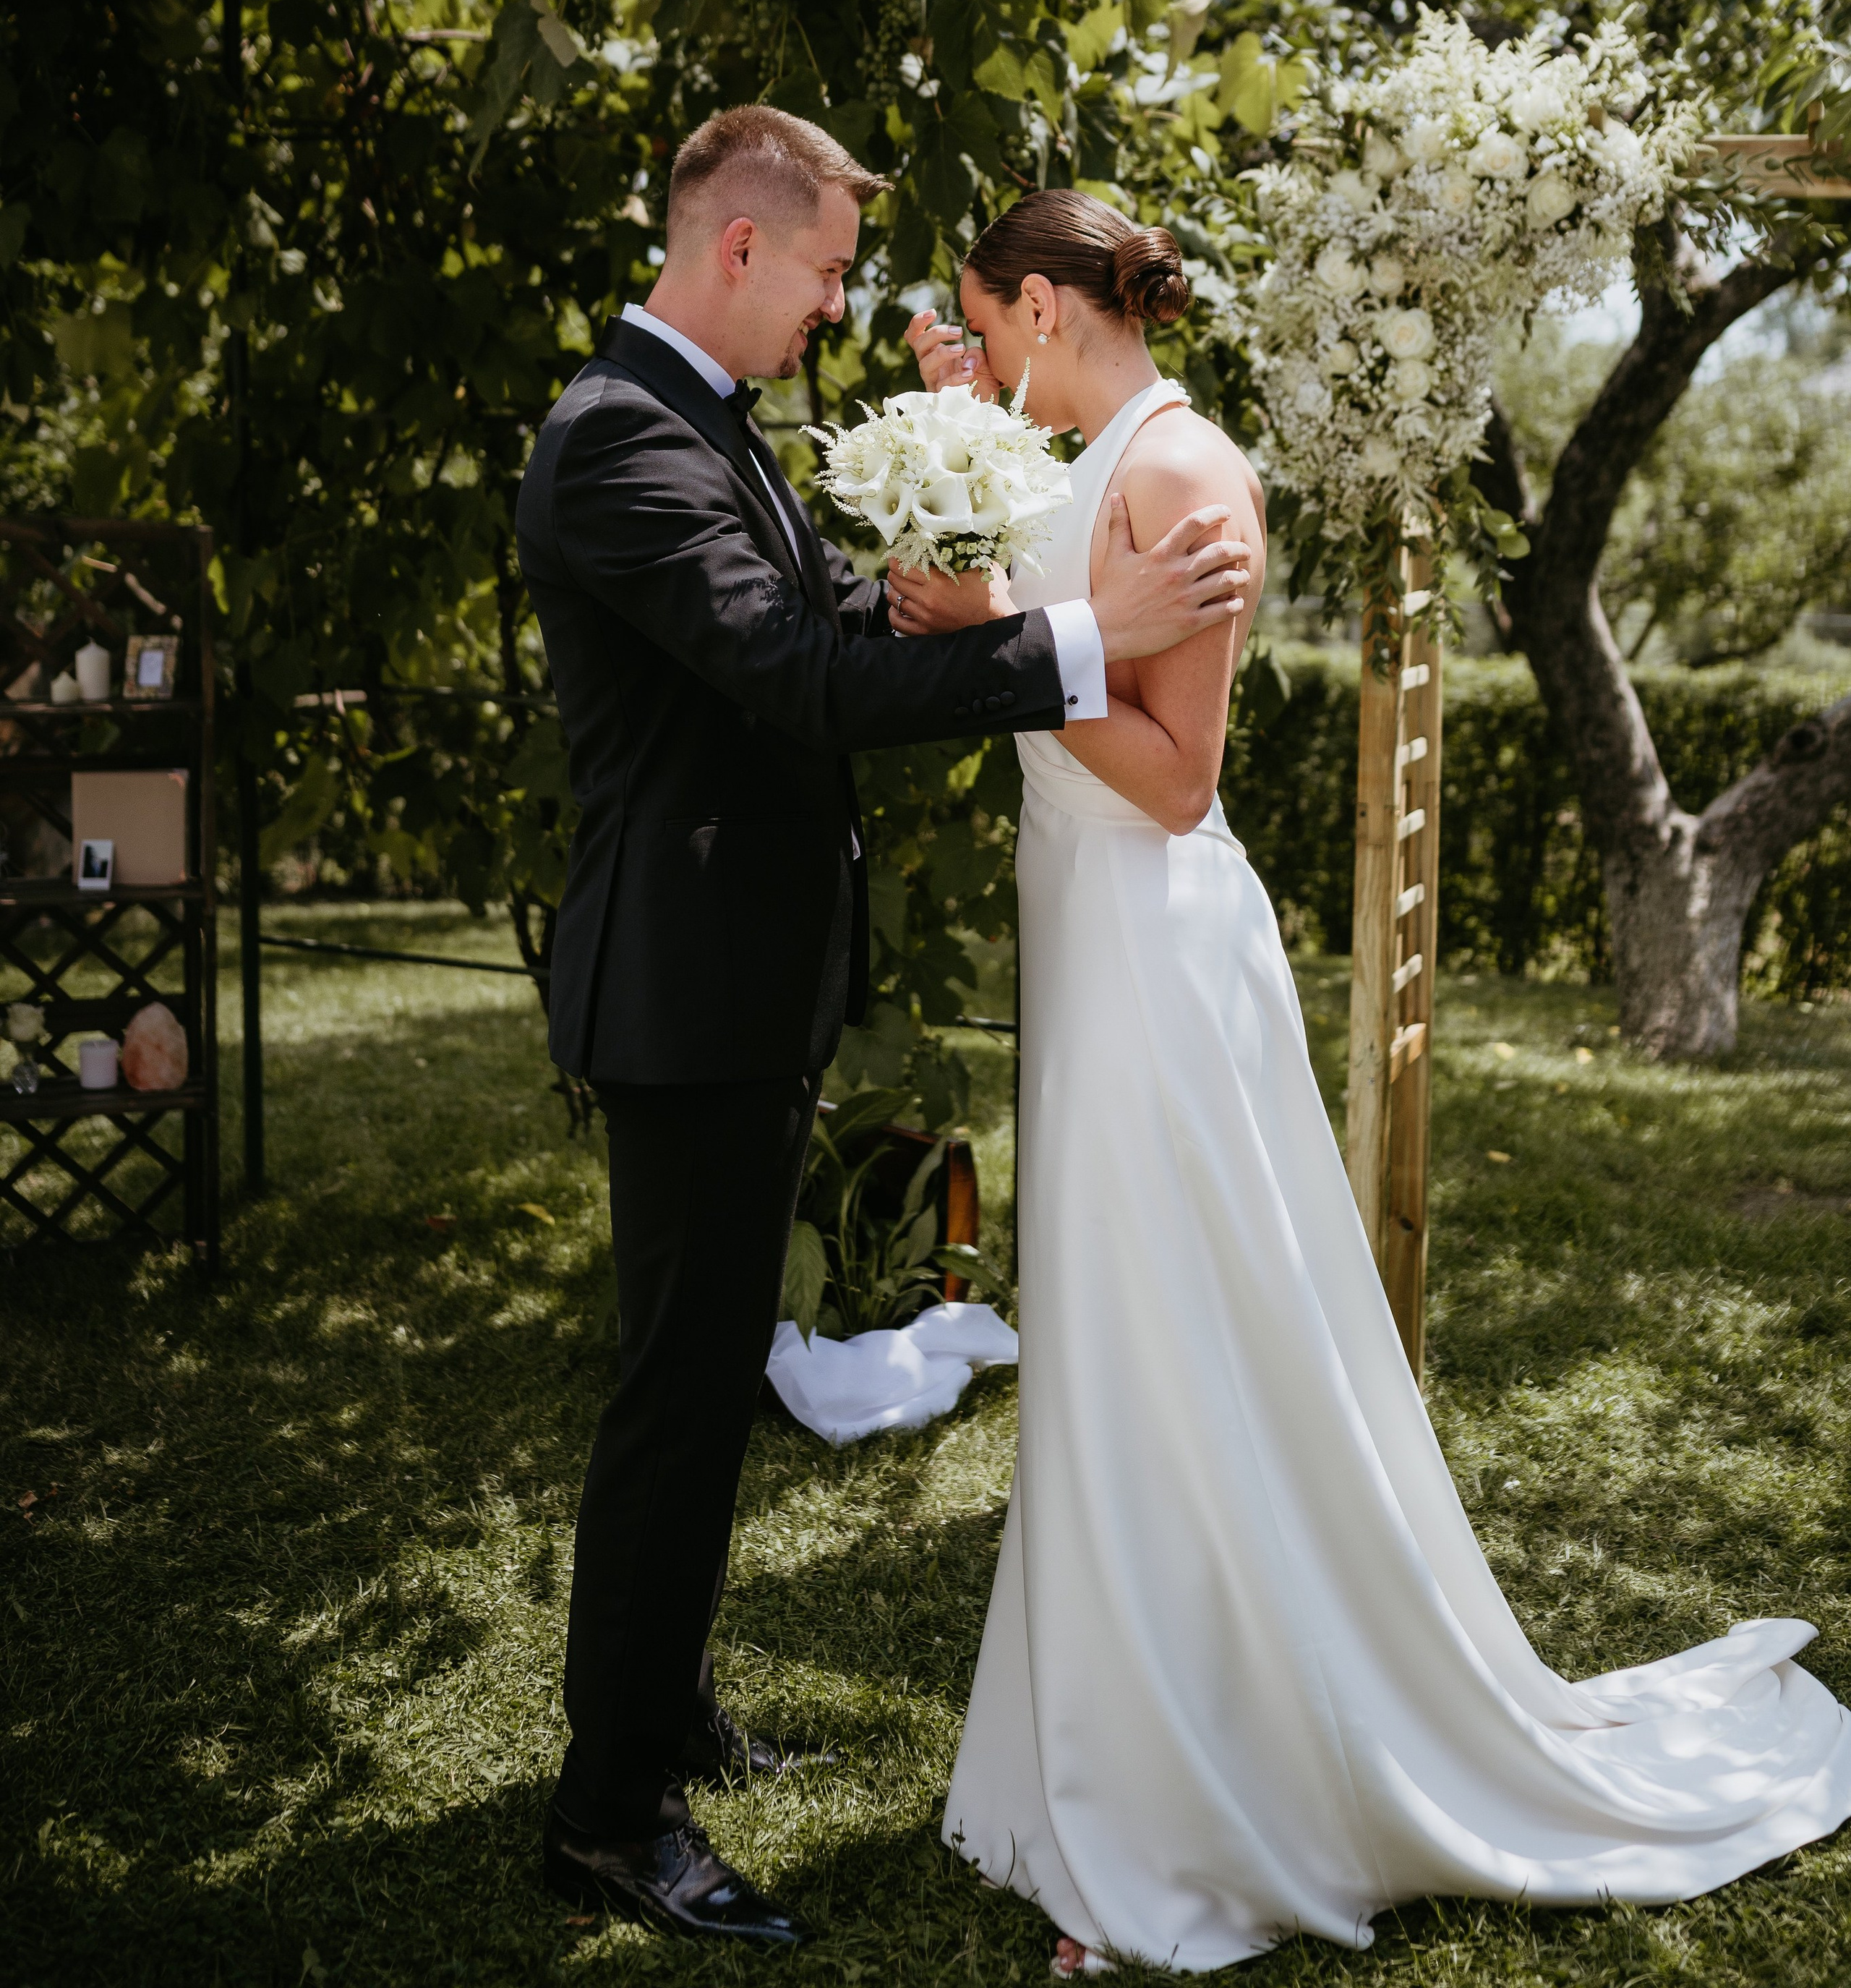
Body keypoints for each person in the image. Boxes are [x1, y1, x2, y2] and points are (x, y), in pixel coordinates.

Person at [894, 188, 1851, 1977]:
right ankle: (1102, 1754)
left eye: (976, 324)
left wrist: (975, 644)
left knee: (1176, 1343)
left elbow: (1175, 781)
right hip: (1078, 938)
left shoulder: (1187, 478)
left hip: (1155, 949)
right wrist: (952, 532)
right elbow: (1001, 601)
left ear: (1040, 305)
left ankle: (1191, 1802)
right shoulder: (1073, 451)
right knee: (1107, 1339)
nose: (973, 358)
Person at [513, 109, 1252, 1949]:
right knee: (678, 1400)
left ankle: (663, 1710)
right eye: (835, 268)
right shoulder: (619, 442)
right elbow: (805, 677)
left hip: (736, 985)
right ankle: (609, 1814)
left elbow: (840, 607)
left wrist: (993, 586)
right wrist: (1098, 633)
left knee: (708, 1374)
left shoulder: (707, 428)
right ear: (740, 249)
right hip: (680, 994)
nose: (846, 305)